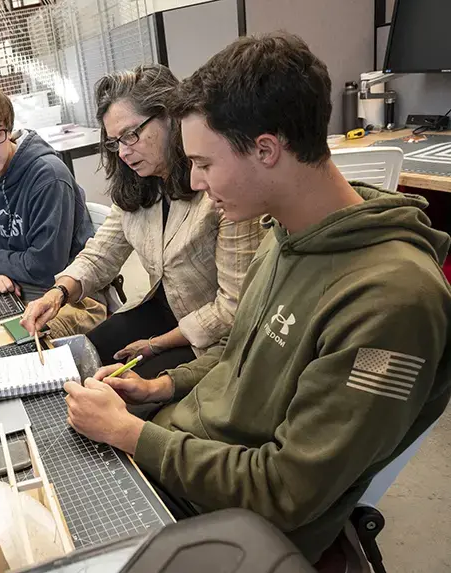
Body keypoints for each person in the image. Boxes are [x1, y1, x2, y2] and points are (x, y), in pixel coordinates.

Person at [60, 33, 451, 565]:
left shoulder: (393, 302)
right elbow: (241, 351)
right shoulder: (284, 235)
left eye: (203, 163)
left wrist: (132, 436)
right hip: (186, 455)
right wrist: (160, 385)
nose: (194, 180)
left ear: (266, 149)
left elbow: (287, 490)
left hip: (229, 517)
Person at [21, 64, 264, 378]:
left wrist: (156, 345)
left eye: (131, 135)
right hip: (163, 311)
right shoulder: (142, 185)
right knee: (79, 362)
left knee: (115, 389)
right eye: (115, 142)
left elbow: (233, 306)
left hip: (211, 336)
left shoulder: (218, 192)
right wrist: (57, 295)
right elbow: (101, 255)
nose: (123, 152)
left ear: (169, 118)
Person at [0, 81, 106, 337]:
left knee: (14, 349)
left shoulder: (48, 177)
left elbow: (45, 267)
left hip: (67, 298)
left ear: (9, 130)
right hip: (11, 292)